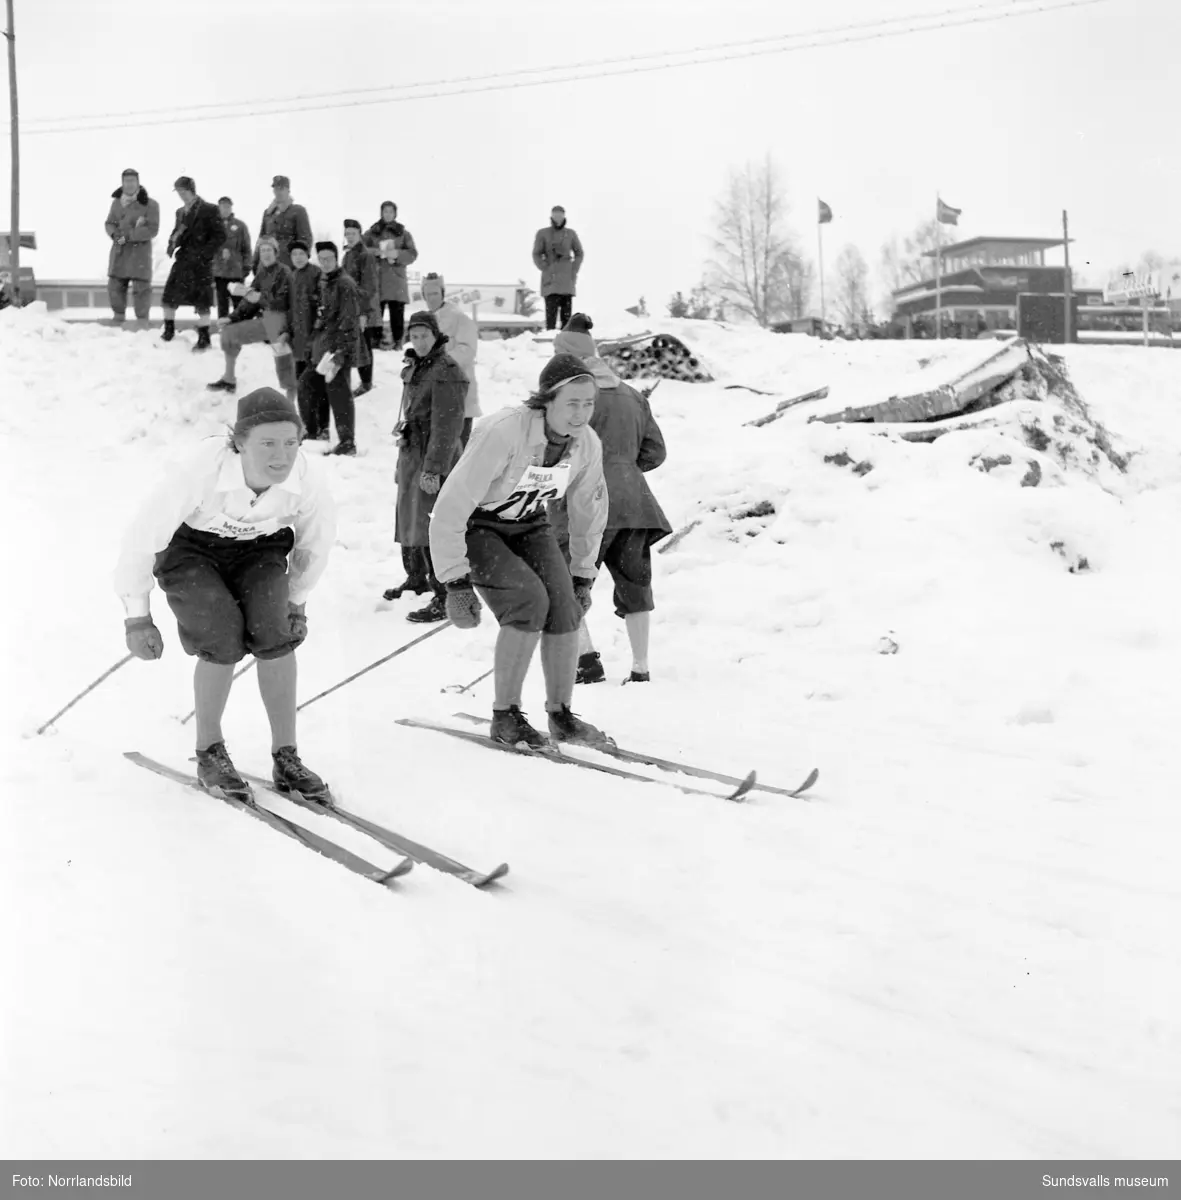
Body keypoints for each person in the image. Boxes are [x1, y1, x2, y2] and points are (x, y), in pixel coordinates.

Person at [113, 388, 336, 802]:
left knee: (276, 631)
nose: (281, 455)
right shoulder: (202, 471)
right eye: (267, 443)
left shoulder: (305, 479)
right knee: (221, 633)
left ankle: (286, 755)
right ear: (239, 443)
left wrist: (297, 601)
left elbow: (315, 544)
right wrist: (137, 616)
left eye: (290, 443)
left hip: (260, 549)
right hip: (192, 550)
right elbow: (143, 538)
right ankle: (210, 751)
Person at [429, 353, 610, 749]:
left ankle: (560, 714)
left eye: (588, 403)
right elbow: (450, 507)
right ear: (546, 400)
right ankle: (505, 715)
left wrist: (582, 575)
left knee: (565, 608)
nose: (581, 415)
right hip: (478, 526)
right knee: (528, 602)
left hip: (529, 523)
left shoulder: (586, 444)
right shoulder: (504, 431)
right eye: (571, 404)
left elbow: (589, 510)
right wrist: (455, 583)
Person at [551, 317, 672, 685]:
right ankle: (640, 667)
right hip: (634, 504)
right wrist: (624, 469)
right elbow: (656, 451)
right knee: (636, 587)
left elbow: (553, 448)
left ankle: (586, 662)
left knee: (566, 581)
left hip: (584, 503)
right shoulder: (632, 395)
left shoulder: (569, 395)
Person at [382, 310, 467, 622]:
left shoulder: (447, 371)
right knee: (410, 516)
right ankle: (416, 576)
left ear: (436, 336)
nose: (418, 342)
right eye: (414, 336)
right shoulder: (417, 366)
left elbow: (447, 426)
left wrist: (434, 468)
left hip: (434, 454)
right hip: (412, 451)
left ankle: (444, 592)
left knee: (433, 523)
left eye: (424, 336)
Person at [296, 241, 364, 457]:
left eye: (329, 259)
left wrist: (340, 354)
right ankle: (314, 433)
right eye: (322, 259)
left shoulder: (345, 284)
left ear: (336, 259)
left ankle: (347, 442)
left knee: (339, 394)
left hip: (337, 350)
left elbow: (349, 321)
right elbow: (323, 317)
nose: (325, 263)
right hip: (323, 349)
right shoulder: (325, 281)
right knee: (307, 385)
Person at [206, 236, 295, 400]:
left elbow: (283, 301)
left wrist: (260, 298)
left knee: (284, 361)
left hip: (282, 321)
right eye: (262, 250)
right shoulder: (262, 272)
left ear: (276, 253)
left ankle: (291, 401)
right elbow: (249, 300)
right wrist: (233, 318)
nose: (266, 253)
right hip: (266, 319)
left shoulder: (284, 272)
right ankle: (229, 378)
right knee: (229, 333)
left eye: (269, 250)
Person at [160, 177, 223, 351]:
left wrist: (205, 255)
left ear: (191, 190)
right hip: (183, 259)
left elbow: (219, 235)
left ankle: (204, 336)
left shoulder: (209, 209)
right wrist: (172, 243)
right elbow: (176, 232)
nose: (181, 195)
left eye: (183, 191)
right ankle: (168, 330)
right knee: (169, 296)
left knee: (202, 300)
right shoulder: (180, 212)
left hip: (201, 262)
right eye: (178, 192)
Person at [420, 272, 481, 446]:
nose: (431, 298)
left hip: (458, 391)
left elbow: (468, 351)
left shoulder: (459, 318)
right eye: (428, 294)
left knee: (458, 450)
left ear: (442, 293)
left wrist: (438, 362)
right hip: (433, 395)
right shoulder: (424, 321)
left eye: (435, 293)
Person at [104, 168, 160, 328]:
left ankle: (142, 320)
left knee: (141, 286)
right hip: (119, 251)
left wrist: (128, 236)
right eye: (126, 181)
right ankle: (118, 316)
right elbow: (109, 223)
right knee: (115, 284)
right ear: (122, 183)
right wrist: (114, 235)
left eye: (132, 181)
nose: (129, 184)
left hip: (139, 253)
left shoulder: (151, 204)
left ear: (138, 182)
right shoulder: (116, 203)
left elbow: (152, 229)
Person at [363, 201, 418, 348]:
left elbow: (413, 254)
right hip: (376, 279)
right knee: (375, 312)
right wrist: (375, 252)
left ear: (395, 214)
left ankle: (398, 342)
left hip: (396, 279)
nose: (388, 214)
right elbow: (360, 249)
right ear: (381, 213)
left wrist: (397, 254)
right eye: (385, 211)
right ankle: (375, 343)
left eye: (390, 212)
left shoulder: (403, 233)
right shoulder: (372, 232)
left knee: (397, 313)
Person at [342, 219, 380, 396]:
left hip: (361, 310)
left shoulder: (365, 256)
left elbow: (369, 286)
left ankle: (366, 383)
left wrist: (363, 312)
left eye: (353, 233)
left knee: (363, 346)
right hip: (348, 308)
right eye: (347, 233)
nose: (349, 237)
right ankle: (359, 381)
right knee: (354, 345)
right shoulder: (348, 255)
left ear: (359, 234)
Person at [532, 205, 584, 332]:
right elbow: (536, 253)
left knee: (566, 319)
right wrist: (545, 267)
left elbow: (579, 253)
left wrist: (574, 269)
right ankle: (549, 341)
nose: (558, 218)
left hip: (567, 279)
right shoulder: (543, 233)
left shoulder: (570, 234)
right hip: (551, 280)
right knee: (551, 317)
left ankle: (565, 342)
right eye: (555, 215)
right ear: (551, 216)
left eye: (560, 215)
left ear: (564, 216)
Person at [287, 240, 322, 422]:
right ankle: (306, 423)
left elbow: (322, 304)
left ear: (308, 255)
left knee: (316, 384)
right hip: (298, 341)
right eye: (294, 254)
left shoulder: (316, 273)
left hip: (314, 339)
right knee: (301, 384)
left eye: (301, 254)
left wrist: (317, 329)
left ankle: (319, 425)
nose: (298, 258)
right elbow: (290, 309)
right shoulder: (292, 276)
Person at [256, 175, 313, 269]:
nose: (278, 192)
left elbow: (305, 239)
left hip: (289, 265)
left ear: (288, 190)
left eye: (281, 188)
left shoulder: (298, 211)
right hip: (267, 265)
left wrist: (300, 263)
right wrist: (256, 263)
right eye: (276, 189)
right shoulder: (268, 213)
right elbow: (261, 240)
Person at [213, 197, 252, 321]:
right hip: (219, 273)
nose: (225, 209)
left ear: (231, 208)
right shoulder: (213, 226)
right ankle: (223, 331)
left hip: (236, 273)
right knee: (222, 306)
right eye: (222, 206)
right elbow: (207, 250)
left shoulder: (240, 226)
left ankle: (239, 330)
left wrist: (247, 267)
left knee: (239, 305)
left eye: (227, 206)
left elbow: (247, 248)